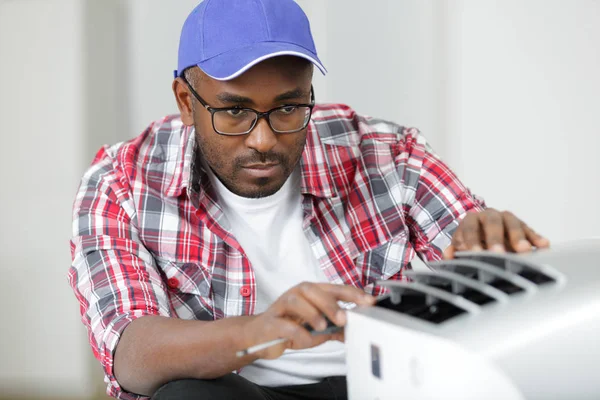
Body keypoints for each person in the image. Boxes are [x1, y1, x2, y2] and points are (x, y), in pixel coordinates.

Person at [68, 0, 550, 399]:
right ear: (185, 102)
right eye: (234, 110)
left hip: (374, 383)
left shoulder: (386, 154)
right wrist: (259, 332)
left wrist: (484, 243)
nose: (262, 139)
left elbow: (471, 245)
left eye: (288, 106)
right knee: (186, 395)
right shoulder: (122, 183)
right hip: (236, 388)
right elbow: (130, 352)